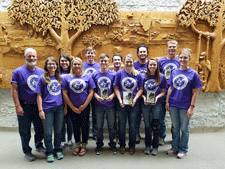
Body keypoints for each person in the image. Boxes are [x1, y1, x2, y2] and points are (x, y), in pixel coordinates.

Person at [165, 48, 202, 159]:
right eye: (181, 57)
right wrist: (167, 101)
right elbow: (170, 87)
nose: (182, 59)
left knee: (184, 128)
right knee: (175, 127)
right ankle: (175, 147)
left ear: (189, 59)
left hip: (185, 105)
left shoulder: (193, 74)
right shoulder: (174, 71)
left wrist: (192, 107)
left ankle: (183, 149)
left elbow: (195, 92)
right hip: (173, 104)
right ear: (178, 58)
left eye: (185, 57)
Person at [11, 48, 45, 162]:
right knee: (25, 131)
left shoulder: (41, 72)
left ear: (37, 57)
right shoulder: (18, 72)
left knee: (40, 128)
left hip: (38, 107)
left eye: (34, 56)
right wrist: (17, 106)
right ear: (25, 57)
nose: (32, 58)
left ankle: (39, 145)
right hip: (24, 106)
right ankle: (27, 151)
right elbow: (14, 90)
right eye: (29, 56)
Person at [62, 57, 95, 156]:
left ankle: (84, 145)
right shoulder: (67, 77)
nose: (76, 66)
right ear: (72, 66)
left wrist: (84, 105)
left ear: (81, 65)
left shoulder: (88, 77)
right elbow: (64, 93)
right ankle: (77, 144)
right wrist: (72, 107)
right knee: (75, 126)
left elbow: (91, 92)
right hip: (73, 107)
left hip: (84, 107)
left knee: (85, 126)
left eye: (78, 64)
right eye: (75, 64)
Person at [114, 54, 143, 155]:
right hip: (122, 104)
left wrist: (135, 99)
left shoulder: (138, 74)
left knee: (133, 126)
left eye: (131, 62)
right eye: (127, 62)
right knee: (121, 126)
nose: (129, 64)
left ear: (133, 62)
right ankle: (122, 145)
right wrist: (119, 100)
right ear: (124, 62)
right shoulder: (119, 74)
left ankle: (132, 146)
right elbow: (116, 88)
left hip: (134, 104)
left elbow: (141, 89)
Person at [36, 57, 64, 163]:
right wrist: (40, 110)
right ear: (46, 66)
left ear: (57, 66)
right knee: (47, 132)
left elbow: (63, 94)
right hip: (47, 109)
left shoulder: (59, 78)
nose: (52, 66)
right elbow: (39, 95)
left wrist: (65, 107)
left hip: (59, 109)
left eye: (54, 64)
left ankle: (58, 149)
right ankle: (49, 152)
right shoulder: (42, 78)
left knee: (58, 131)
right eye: (49, 64)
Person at [92, 54, 117, 155]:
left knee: (112, 126)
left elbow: (117, 89)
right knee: (99, 126)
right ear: (99, 62)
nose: (103, 63)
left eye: (105, 61)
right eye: (101, 61)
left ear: (109, 62)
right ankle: (99, 144)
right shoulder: (94, 75)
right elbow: (92, 90)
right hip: (99, 105)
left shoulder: (113, 74)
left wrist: (113, 95)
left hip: (110, 105)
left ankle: (112, 144)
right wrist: (95, 96)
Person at [141, 58, 166, 156]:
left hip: (157, 104)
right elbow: (141, 91)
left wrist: (157, 97)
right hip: (146, 104)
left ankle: (155, 147)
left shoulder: (161, 77)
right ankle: (147, 146)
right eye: (150, 65)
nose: (152, 67)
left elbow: (163, 92)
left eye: (154, 65)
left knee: (155, 125)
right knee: (147, 125)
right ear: (148, 66)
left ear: (157, 66)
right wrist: (143, 98)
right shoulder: (143, 77)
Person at [158, 40, 180, 146]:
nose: (172, 49)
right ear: (167, 48)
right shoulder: (161, 62)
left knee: (175, 119)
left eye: (174, 47)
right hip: (163, 92)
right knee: (161, 117)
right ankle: (161, 137)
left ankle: (175, 139)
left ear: (176, 48)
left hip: (175, 94)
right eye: (170, 47)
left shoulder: (180, 61)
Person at [83, 47, 101, 140]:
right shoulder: (82, 66)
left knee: (95, 114)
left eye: (92, 53)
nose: (90, 55)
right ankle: (85, 133)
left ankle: (95, 133)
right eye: (88, 53)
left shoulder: (98, 66)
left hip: (95, 93)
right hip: (84, 94)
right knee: (85, 115)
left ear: (94, 54)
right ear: (85, 54)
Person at [134, 44, 149, 144]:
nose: (142, 53)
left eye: (144, 51)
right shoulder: (134, 65)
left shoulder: (152, 64)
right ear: (137, 53)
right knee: (136, 117)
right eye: (141, 52)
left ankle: (153, 136)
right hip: (137, 96)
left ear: (147, 53)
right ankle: (136, 135)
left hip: (149, 96)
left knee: (151, 118)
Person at [59, 54, 73, 149]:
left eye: (66, 61)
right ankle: (62, 140)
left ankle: (70, 139)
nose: (64, 63)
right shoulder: (57, 74)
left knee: (70, 122)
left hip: (70, 100)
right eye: (62, 61)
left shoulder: (72, 73)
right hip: (59, 101)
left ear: (69, 62)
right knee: (61, 122)